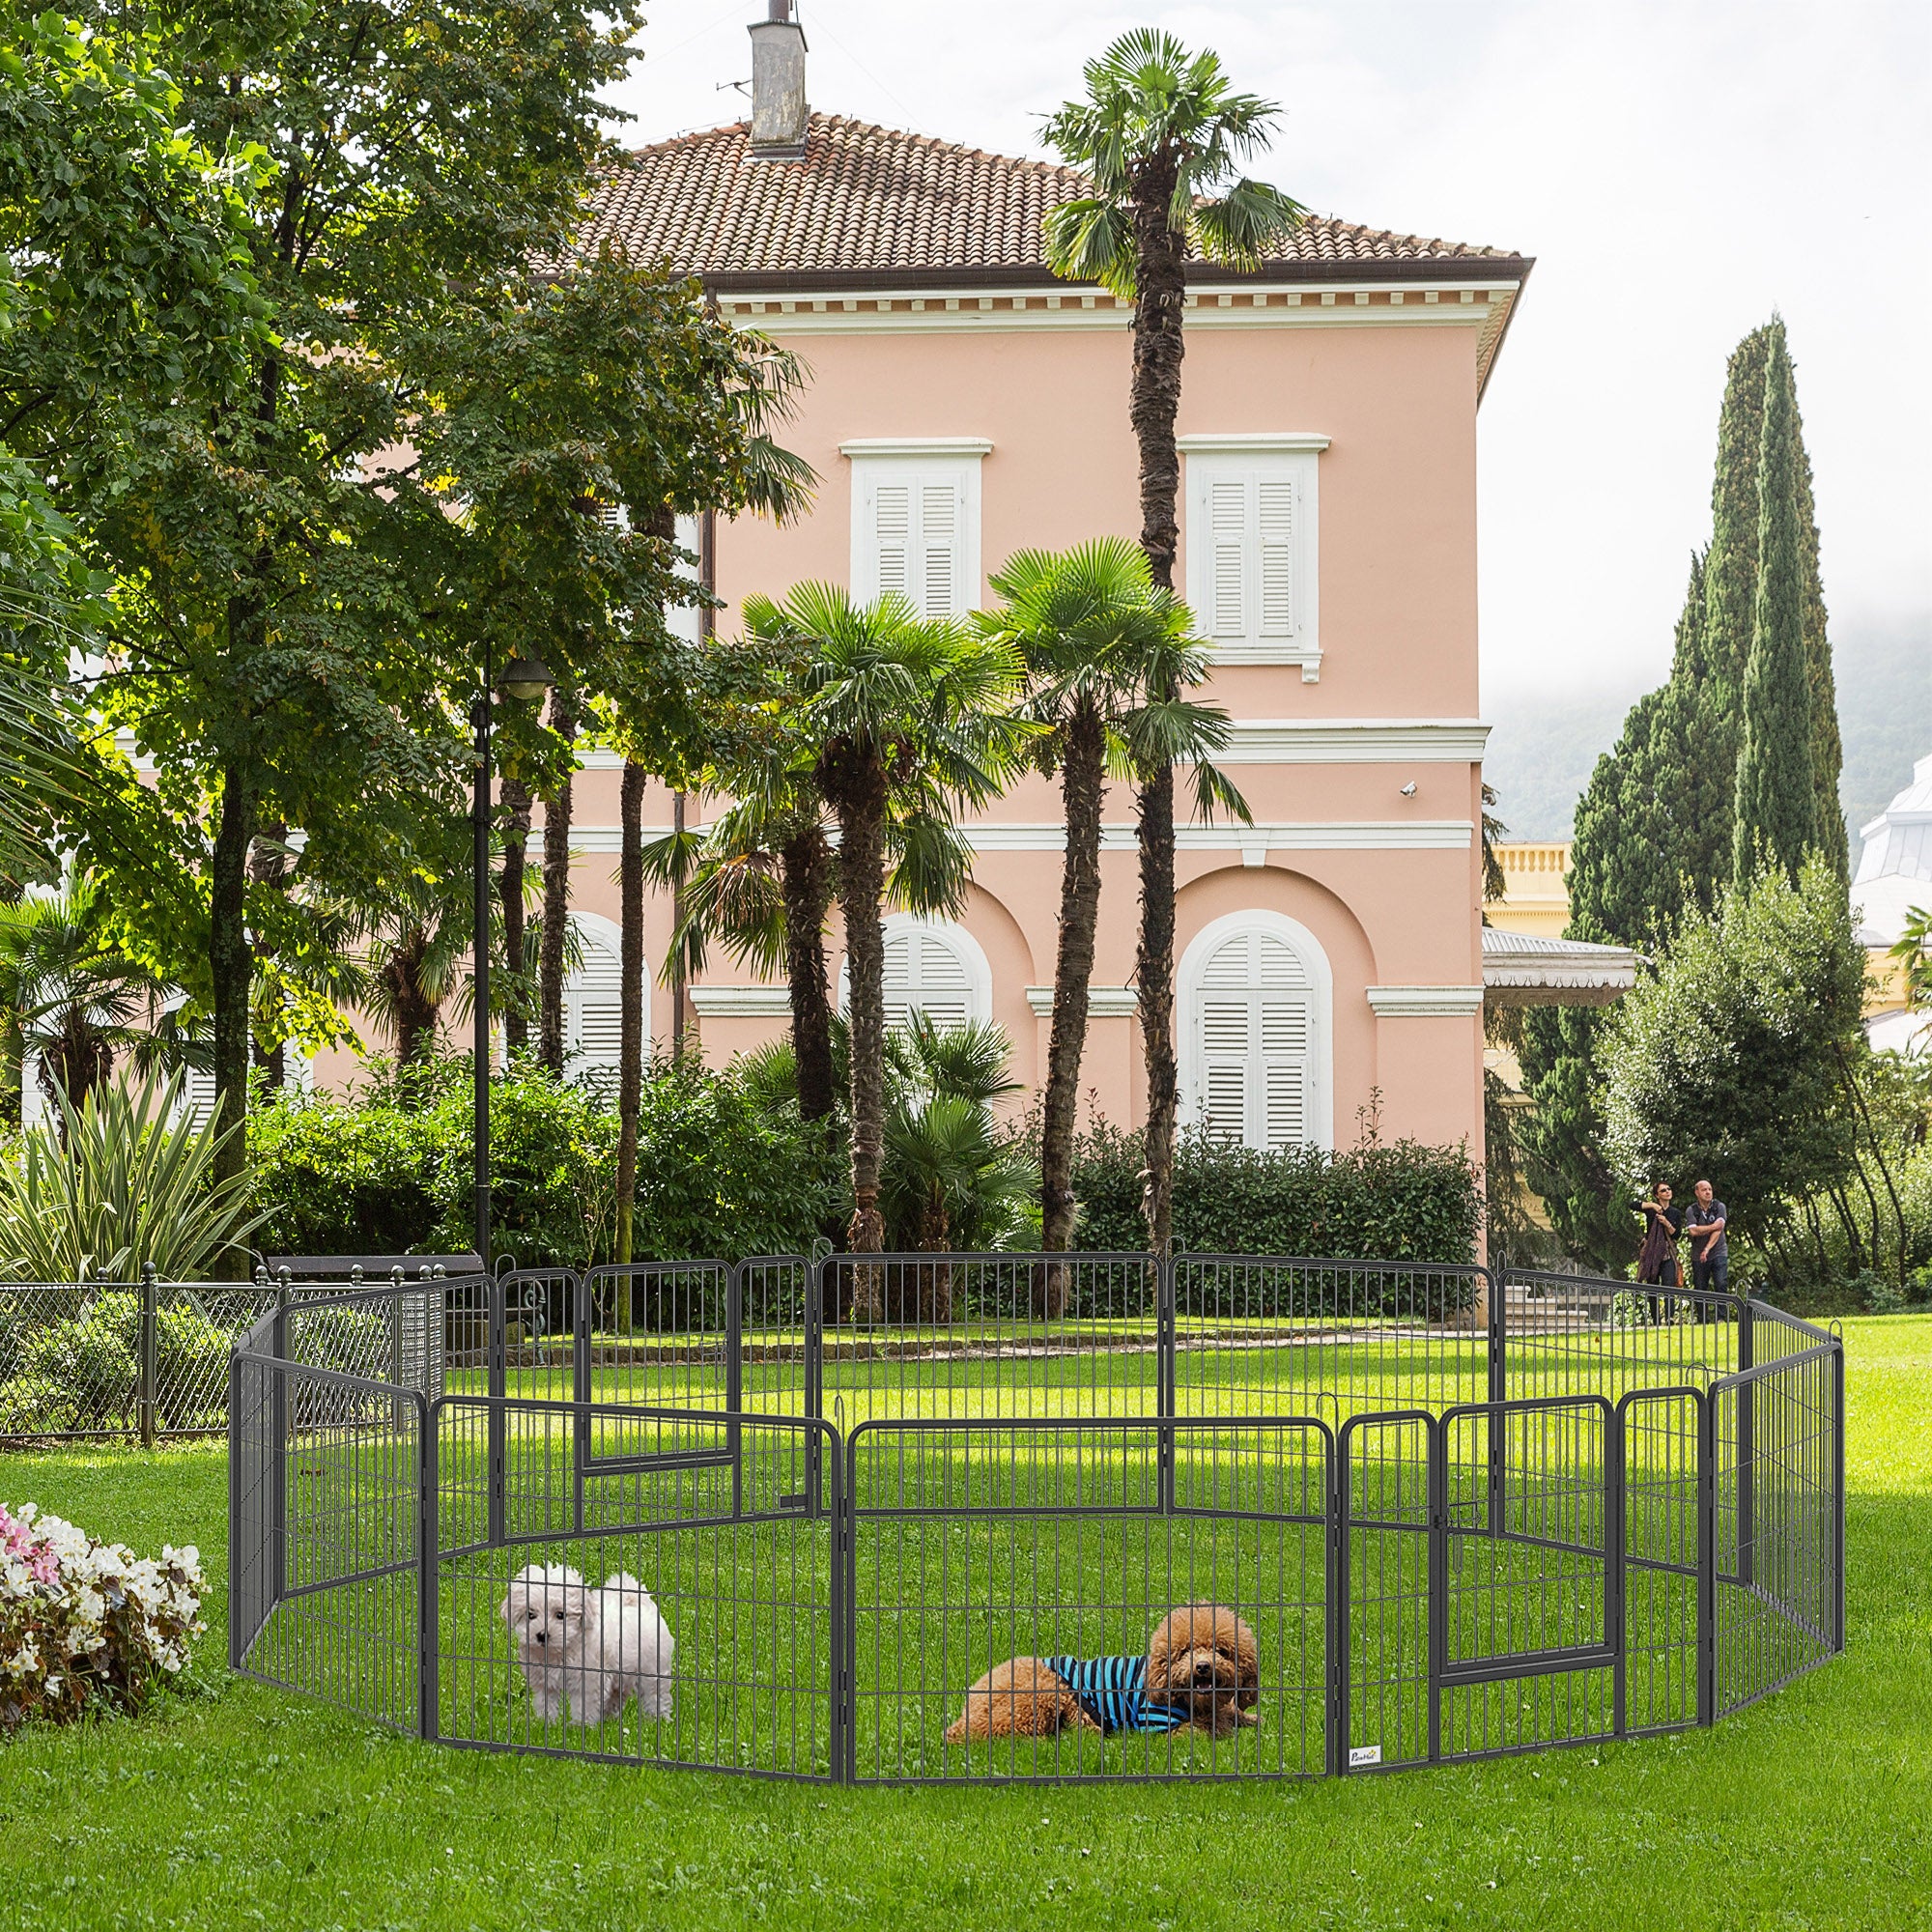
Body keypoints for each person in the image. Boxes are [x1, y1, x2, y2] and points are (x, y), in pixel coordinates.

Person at [1636, 1182, 1683, 1321]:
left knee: (1669, 1284)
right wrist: (1652, 1205)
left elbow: (1676, 1234)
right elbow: (1633, 1204)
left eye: (1669, 1189)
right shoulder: (1651, 1211)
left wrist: (1666, 1223)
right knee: (1652, 1286)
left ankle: (1670, 1317)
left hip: (1667, 1254)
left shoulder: (1675, 1212)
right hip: (1652, 1254)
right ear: (1657, 1195)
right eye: (1663, 1190)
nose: (1668, 1192)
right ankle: (1655, 1319)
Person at [1683, 1179, 1728, 1305]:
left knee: (1721, 1283)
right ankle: (1702, 1318)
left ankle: (1721, 1318)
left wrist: (1707, 1249)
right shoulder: (1691, 1210)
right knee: (1700, 1287)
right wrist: (1713, 1226)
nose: (1708, 1192)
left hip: (1718, 1250)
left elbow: (1718, 1231)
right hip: (1698, 1253)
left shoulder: (1719, 1207)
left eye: (1710, 1189)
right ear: (1697, 1192)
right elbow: (1693, 1231)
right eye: (1704, 1190)